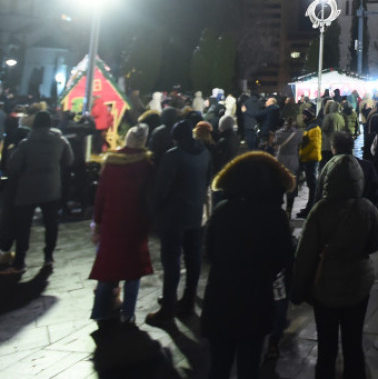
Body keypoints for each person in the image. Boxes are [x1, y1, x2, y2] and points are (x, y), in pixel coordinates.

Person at [201, 152, 295, 377]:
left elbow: (210, 253)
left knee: (218, 366)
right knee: (249, 366)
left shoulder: (222, 211)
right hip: (256, 303)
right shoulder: (275, 216)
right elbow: (284, 259)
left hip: (220, 300)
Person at [292, 155, 378, 379]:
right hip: (358, 285)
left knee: (327, 346)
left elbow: (305, 255)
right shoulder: (367, 208)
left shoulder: (319, 210)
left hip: (325, 289)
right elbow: (377, 242)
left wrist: (297, 290)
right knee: (353, 343)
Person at [88, 124, 155, 324]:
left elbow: (101, 196)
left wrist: (97, 222)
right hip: (135, 222)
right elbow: (149, 198)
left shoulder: (112, 161)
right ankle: (128, 313)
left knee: (108, 266)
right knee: (134, 270)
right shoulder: (147, 164)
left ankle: (100, 311)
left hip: (112, 220)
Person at [146, 119, 212, 322]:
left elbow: (162, 188)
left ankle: (167, 306)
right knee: (193, 260)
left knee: (171, 260)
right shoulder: (204, 153)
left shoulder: (173, 156)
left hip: (174, 216)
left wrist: (154, 211)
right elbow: (208, 180)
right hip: (195, 215)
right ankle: (188, 300)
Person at [0, 111, 72, 276]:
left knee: (23, 228)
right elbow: (69, 160)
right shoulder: (60, 141)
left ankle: (20, 263)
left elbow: (13, 166)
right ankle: (48, 258)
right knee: (51, 225)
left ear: (35, 125)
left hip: (27, 191)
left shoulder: (26, 144)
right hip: (52, 189)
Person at [296, 109, 322, 219]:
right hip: (309, 158)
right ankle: (309, 207)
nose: (302, 118)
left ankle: (310, 209)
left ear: (307, 116)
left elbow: (312, 145)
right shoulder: (310, 126)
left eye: (303, 116)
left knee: (312, 184)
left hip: (311, 159)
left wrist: (301, 154)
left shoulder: (313, 127)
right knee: (311, 184)